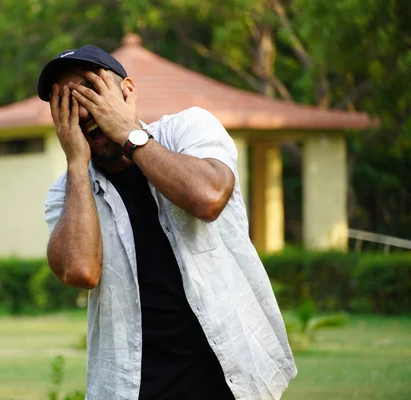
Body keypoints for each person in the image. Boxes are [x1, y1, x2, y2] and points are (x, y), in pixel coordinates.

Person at [38, 45, 297, 400]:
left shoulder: (188, 129)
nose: (82, 109)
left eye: (90, 88)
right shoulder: (67, 193)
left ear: (126, 91)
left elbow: (208, 197)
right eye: (65, 101)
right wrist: (76, 164)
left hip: (231, 379)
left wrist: (129, 135)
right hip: (133, 387)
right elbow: (81, 270)